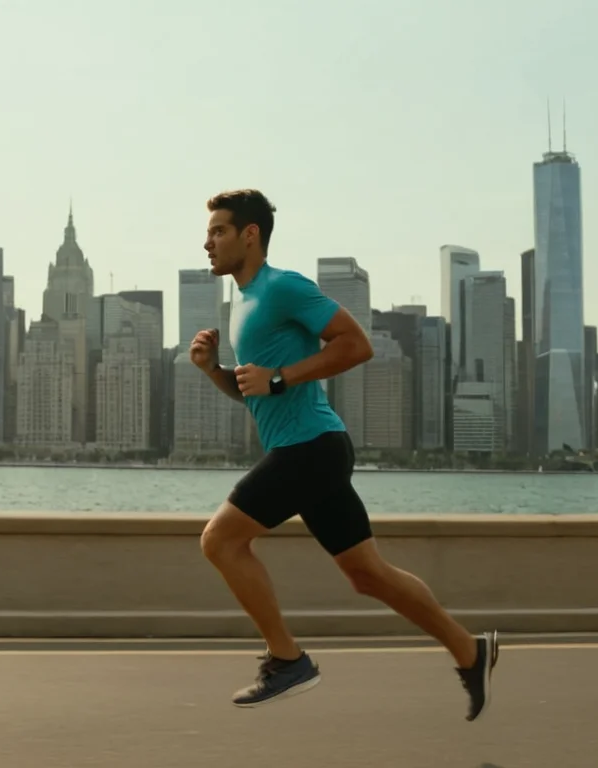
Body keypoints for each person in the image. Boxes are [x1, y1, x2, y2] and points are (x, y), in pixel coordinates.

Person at [190, 188, 499, 721]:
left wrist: (281, 377)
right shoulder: (241, 304)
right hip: (312, 451)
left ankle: (287, 659)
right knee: (366, 573)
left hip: (310, 447)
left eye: (218, 230)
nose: (207, 242)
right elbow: (254, 392)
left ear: (250, 234)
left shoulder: (283, 287)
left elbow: (356, 345)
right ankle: (471, 651)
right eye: (208, 231)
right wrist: (214, 371)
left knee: (220, 541)